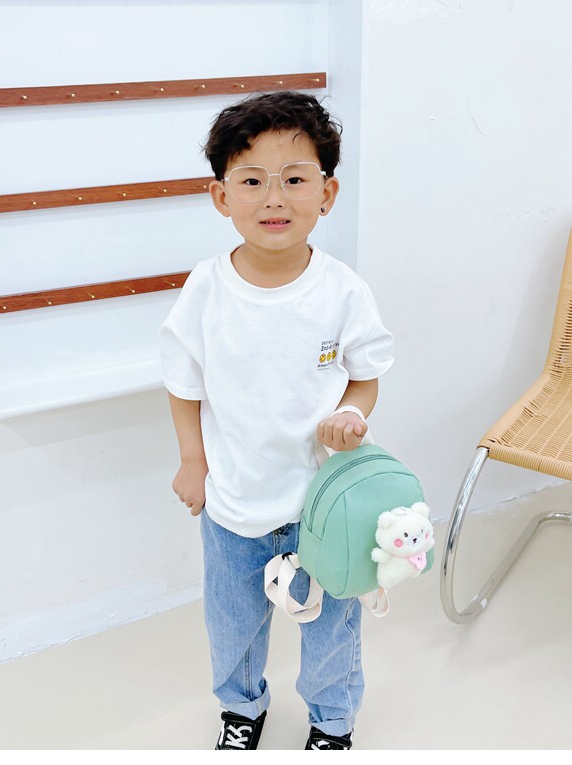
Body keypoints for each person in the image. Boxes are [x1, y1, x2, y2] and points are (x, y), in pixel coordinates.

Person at [159, 91, 394, 750]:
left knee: (332, 626)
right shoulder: (205, 290)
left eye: (294, 179)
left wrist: (350, 412)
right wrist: (192, 460)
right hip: (233, 504)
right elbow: (183, 384)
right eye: (252, 181)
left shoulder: (343, 291)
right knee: (232, 623)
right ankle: (241, 708)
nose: (274, 198)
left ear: (327, 192)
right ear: (220, 196)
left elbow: (366, 376)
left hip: (324, 505)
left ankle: (332, 720)